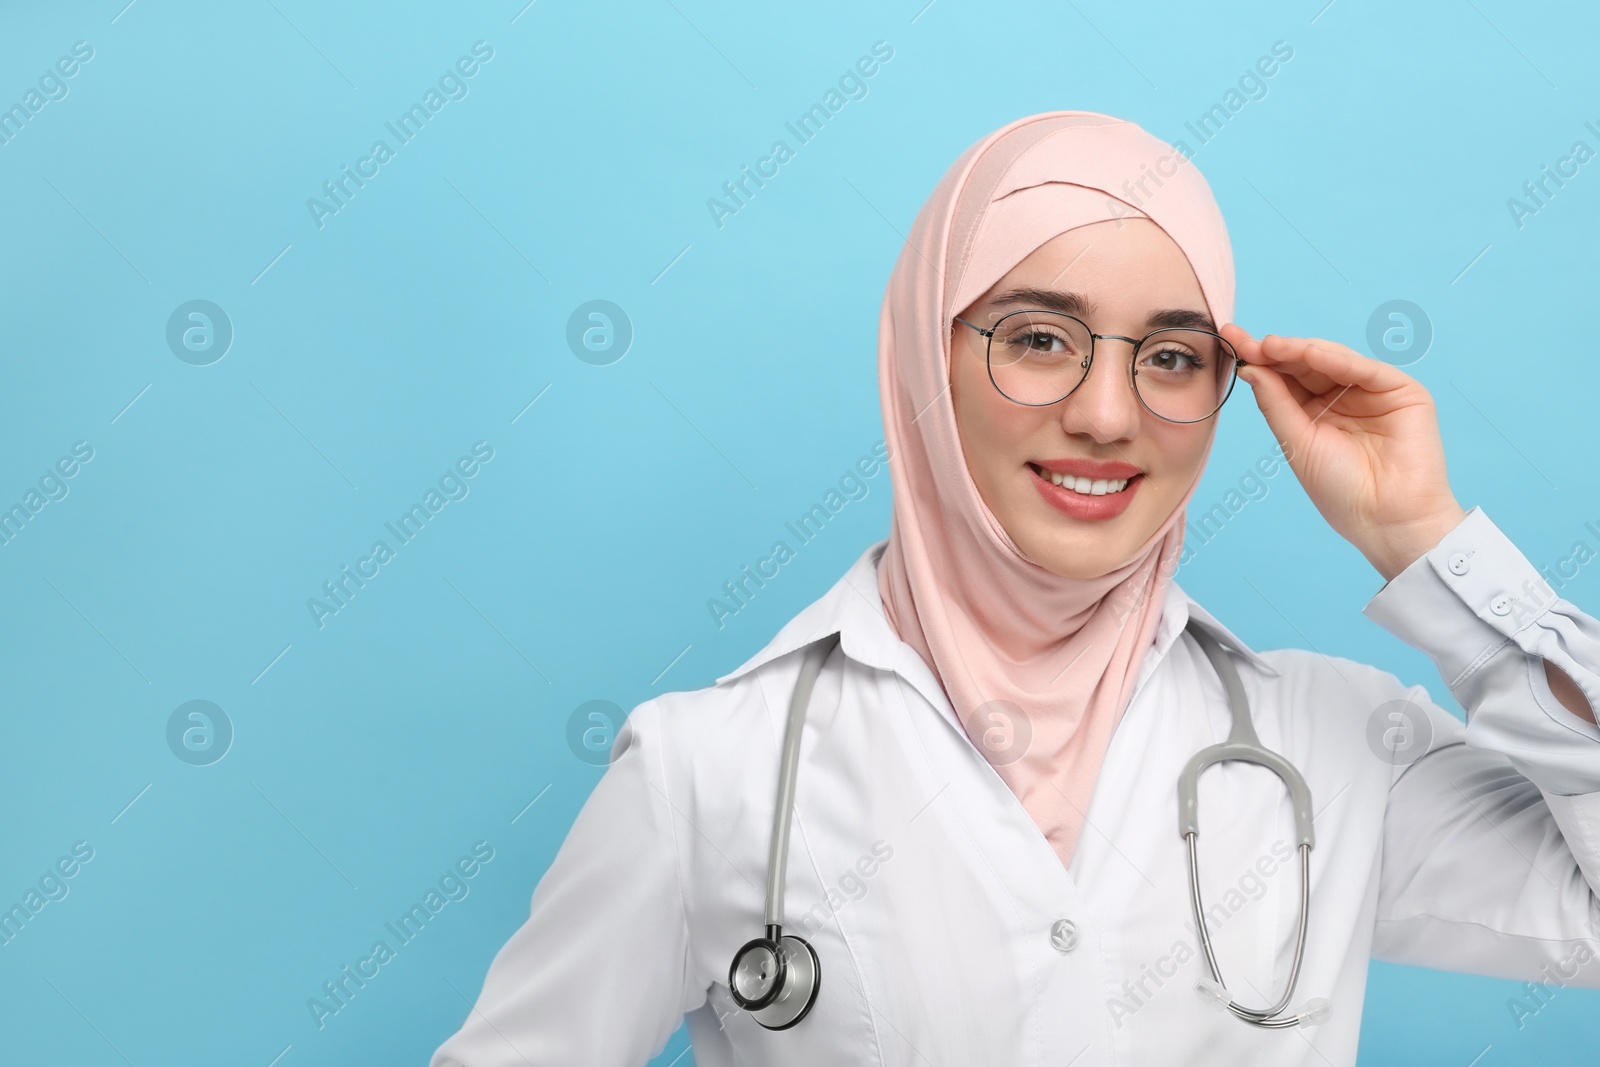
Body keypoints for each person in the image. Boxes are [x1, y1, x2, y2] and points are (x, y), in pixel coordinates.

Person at [428, 111, 1600, 1066]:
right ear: (920, 359)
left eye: (1173, 356)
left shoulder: (1336, 745)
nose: (1105, 412)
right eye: (1039, 336)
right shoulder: (708, 772)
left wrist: (1427, 544)